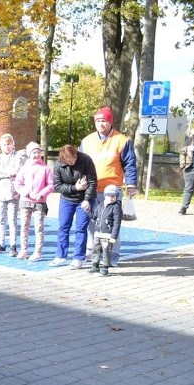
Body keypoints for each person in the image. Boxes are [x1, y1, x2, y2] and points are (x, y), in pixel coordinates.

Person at [79, 106, 137, 266]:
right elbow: (79, 164)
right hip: (91, 188)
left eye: (103, 120)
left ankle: (112, 254)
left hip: (111, 189)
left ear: (110, 122)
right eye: (97, 120)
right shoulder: (87, 141)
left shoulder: (122, 140)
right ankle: (92, 251)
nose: (100, 123)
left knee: (111, 223)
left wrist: (131, 183)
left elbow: (130, 164)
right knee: (93, 222)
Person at [50, 144, 98, 269]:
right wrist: (75, 188)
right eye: (69, 160)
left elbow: (92, 181)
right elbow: (57, 186)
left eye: (74, 158)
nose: (72, 161)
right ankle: (60, 255)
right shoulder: (58, 165)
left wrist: (87, 199)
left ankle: (78, 258)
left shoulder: (85, 160)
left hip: (84, 199)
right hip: (67, 199)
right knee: (63, 227)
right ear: (63, 159)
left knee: (81, 228)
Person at [15, 142, 54, 261]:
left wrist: (41, 194)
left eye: (38, 152)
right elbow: (18, 183)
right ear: (29, 154)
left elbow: (51, 185)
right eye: (34, 152)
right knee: (24, 227)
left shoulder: (45, 168)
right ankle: (24, 249)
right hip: (25, 201)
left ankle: (38, 252)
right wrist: (26, 192)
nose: (36, 155)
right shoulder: (24, 168)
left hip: (39, 202)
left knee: (39, 227)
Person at [0, 133, 26, 255]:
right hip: (1, 192)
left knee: (12, 219)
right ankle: (1, 242)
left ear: (13, 144)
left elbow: (16, 171)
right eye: (4, 144)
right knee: (1, 218)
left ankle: (13, 244)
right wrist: (7, 174)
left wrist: (4, 173)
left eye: (9, 144)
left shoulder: (18, 157)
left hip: (13, 193)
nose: (7, 146)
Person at [89, 185, 123, 276]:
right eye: (109, 195)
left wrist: (113, 236)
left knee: (106, 251)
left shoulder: (116, 207)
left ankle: (105, 266)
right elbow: (94, 217)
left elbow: (117, 223)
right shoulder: (100, 206)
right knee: (95, 249)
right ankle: (95, 265)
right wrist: (88, 211)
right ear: (105, 195)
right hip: (98, 233)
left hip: (107, 235)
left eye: (113, 196)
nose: (111, 198)